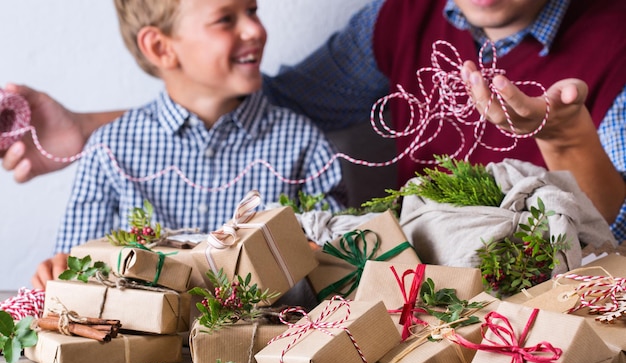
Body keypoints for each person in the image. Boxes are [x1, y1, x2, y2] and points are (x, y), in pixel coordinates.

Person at [3, 2, 625, 231]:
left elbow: (611, 238)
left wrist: (566, 138)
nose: (253, 29)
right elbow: (259, 106)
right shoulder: (396, 20)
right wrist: (88, 128)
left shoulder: (616, 42)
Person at [28, 0, 346, 289]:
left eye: (252, 11)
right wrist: (60, 271)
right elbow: (77, 272)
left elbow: (339, 269)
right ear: (160, 47)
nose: (255, 30)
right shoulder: (110, 149)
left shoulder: (302, 143)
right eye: (225, 19)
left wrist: (319, 257)